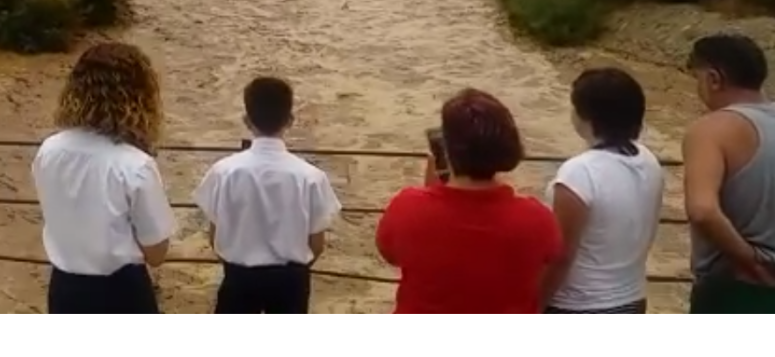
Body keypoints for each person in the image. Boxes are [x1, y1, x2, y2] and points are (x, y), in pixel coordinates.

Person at [375, 88, 562, 313]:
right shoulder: (537, 219)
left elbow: (392, 255)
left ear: (446, 151)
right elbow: (546, 262)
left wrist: (432, 190)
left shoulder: (407, 207)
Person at [31, 42, 176, 314]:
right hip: (121, 293)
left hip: (64, 289)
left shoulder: (48, 150)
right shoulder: (135, 165)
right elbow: (157, 253)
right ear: (139, 97)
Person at [193, 76, 342, 313]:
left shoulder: (223, 172)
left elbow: (215, 236)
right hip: (290, 281)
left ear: (247, 120)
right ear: (290, 120)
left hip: (239, 278)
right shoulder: (311, 177)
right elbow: (317, 244)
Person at [682, 34, 775, 314]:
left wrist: (751, 262)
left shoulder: (712, 129)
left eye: (697, 79)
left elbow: (702, 210)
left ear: (713, 79)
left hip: (739, 287)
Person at [541, 68, 664, 313]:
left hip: (578, 304)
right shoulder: (649, 161)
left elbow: (561, 256)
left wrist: (534, 305)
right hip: (632, 298)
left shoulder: (579, 173)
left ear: (586, 116)